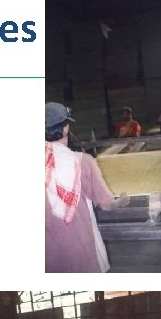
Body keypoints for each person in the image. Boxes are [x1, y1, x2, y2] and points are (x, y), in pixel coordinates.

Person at [45, 102, 130, 273]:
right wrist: (122, 200)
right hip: (79, 249)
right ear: (65, 128)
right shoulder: (83, 161)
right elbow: (107, 204)